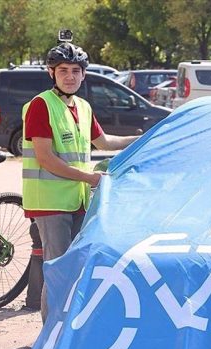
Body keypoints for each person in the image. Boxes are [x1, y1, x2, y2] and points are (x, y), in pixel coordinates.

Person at [22, 42, 140, 320]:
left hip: (76, 200)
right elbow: (46, 158)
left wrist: (145, 138)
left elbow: (106, 141)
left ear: (84, 74)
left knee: (74, 268)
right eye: (63, 70)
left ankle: (65, 331)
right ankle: (50, 337)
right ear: (52, 73)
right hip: (50, 202)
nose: (70, 76)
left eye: (76, 70)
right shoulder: (41, 105)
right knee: (59, 269)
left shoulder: (82, 107)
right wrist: (89, 178)